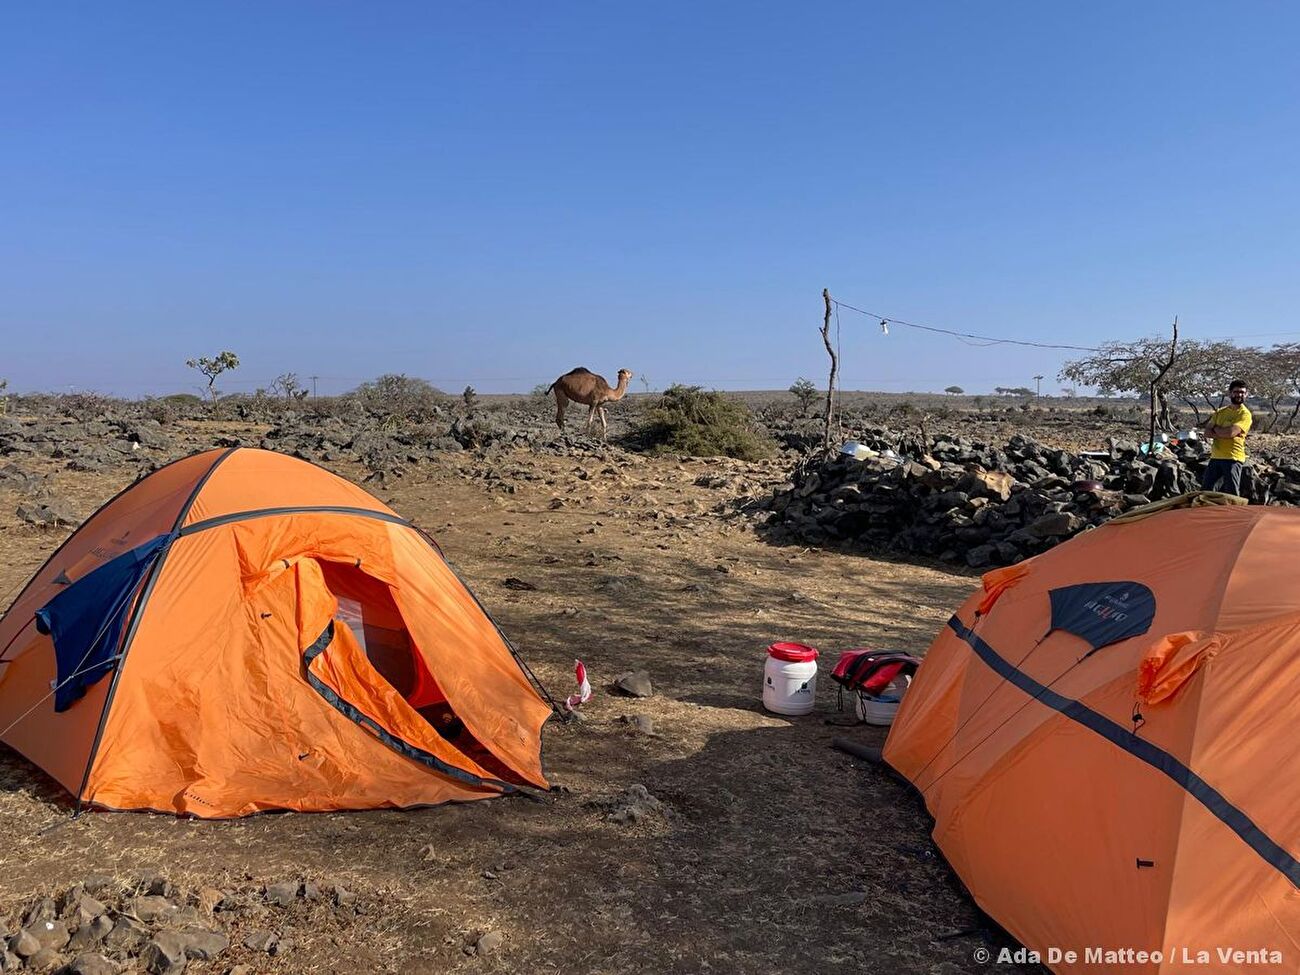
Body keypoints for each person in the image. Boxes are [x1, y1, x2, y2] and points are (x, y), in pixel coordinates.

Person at [1200, 380, 1252, 497]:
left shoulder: (1245, 414)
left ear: (1246, 394)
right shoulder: (1220, 412)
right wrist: (1224, 433)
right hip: (1215, 457)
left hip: (1233, 458)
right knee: (1206, 492)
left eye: (1242, 392)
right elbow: (1207, 432)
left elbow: (1230, 433)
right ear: (1230, 393)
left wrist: (1217, 429)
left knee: (1231, 493)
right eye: (1236, 392)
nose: (1239, 395)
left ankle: (1233, 515)